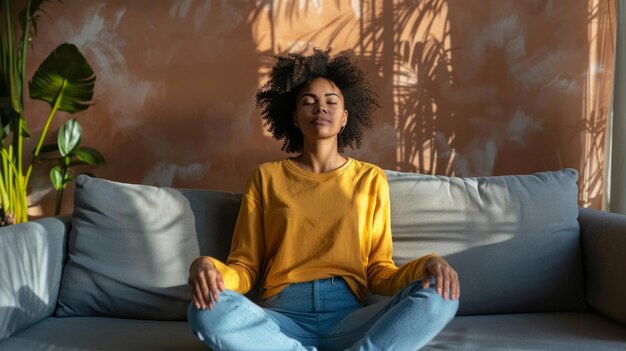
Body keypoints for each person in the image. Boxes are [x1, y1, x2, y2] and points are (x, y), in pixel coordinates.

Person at [187, 48, 460, 351]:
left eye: (331, 101)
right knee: (206, 310)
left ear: (344, 118)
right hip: (280, 319)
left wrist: (429, 264)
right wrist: (208, 266)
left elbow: (380, 271)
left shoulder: (369, 179)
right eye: (309, 102)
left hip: (350, 318)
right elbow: (245, 267)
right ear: (294, 116)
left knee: (441, 295)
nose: (320, 109)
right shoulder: (266, 177)